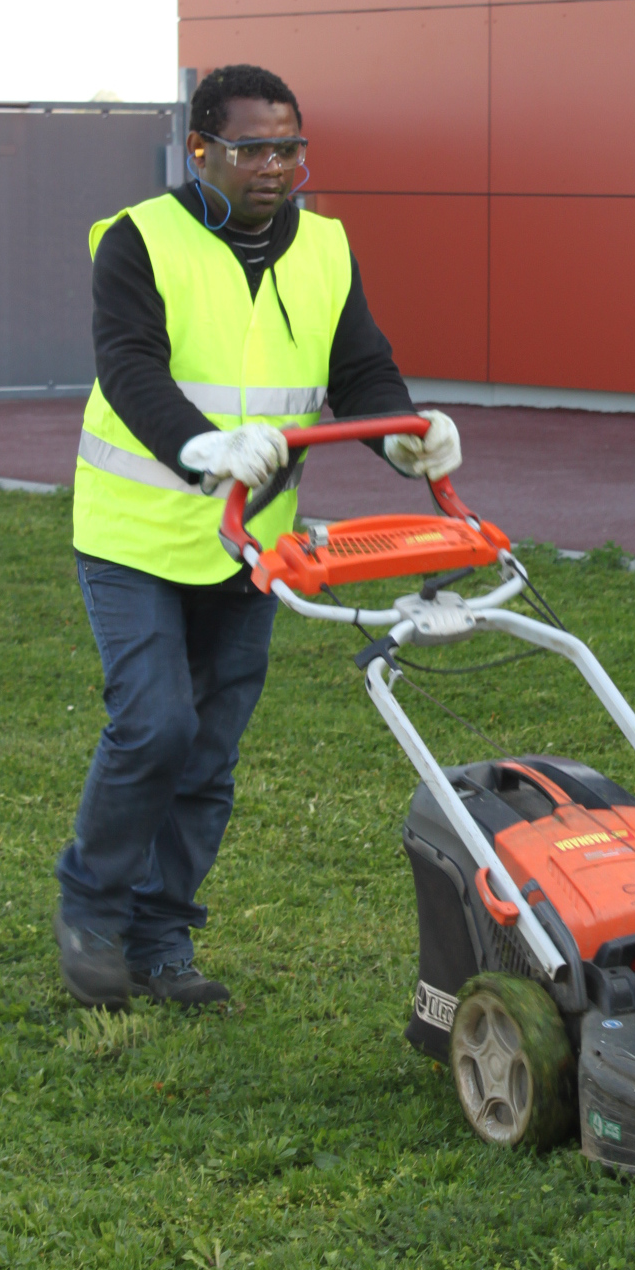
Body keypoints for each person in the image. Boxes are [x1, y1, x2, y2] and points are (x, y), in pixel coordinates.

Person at [53, 64, 461, 1010]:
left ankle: (160, 940)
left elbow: (360, 368)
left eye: (291, 148)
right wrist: (200, 445)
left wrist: (405, 435)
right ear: (200, 150)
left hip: (251, 545)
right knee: (155, 724)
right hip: (135, 533)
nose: (276, 167)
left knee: (209, 751)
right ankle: (92, 907)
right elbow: (128, 368)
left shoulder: (325, 249)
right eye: (252, 150)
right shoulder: (138, 241)